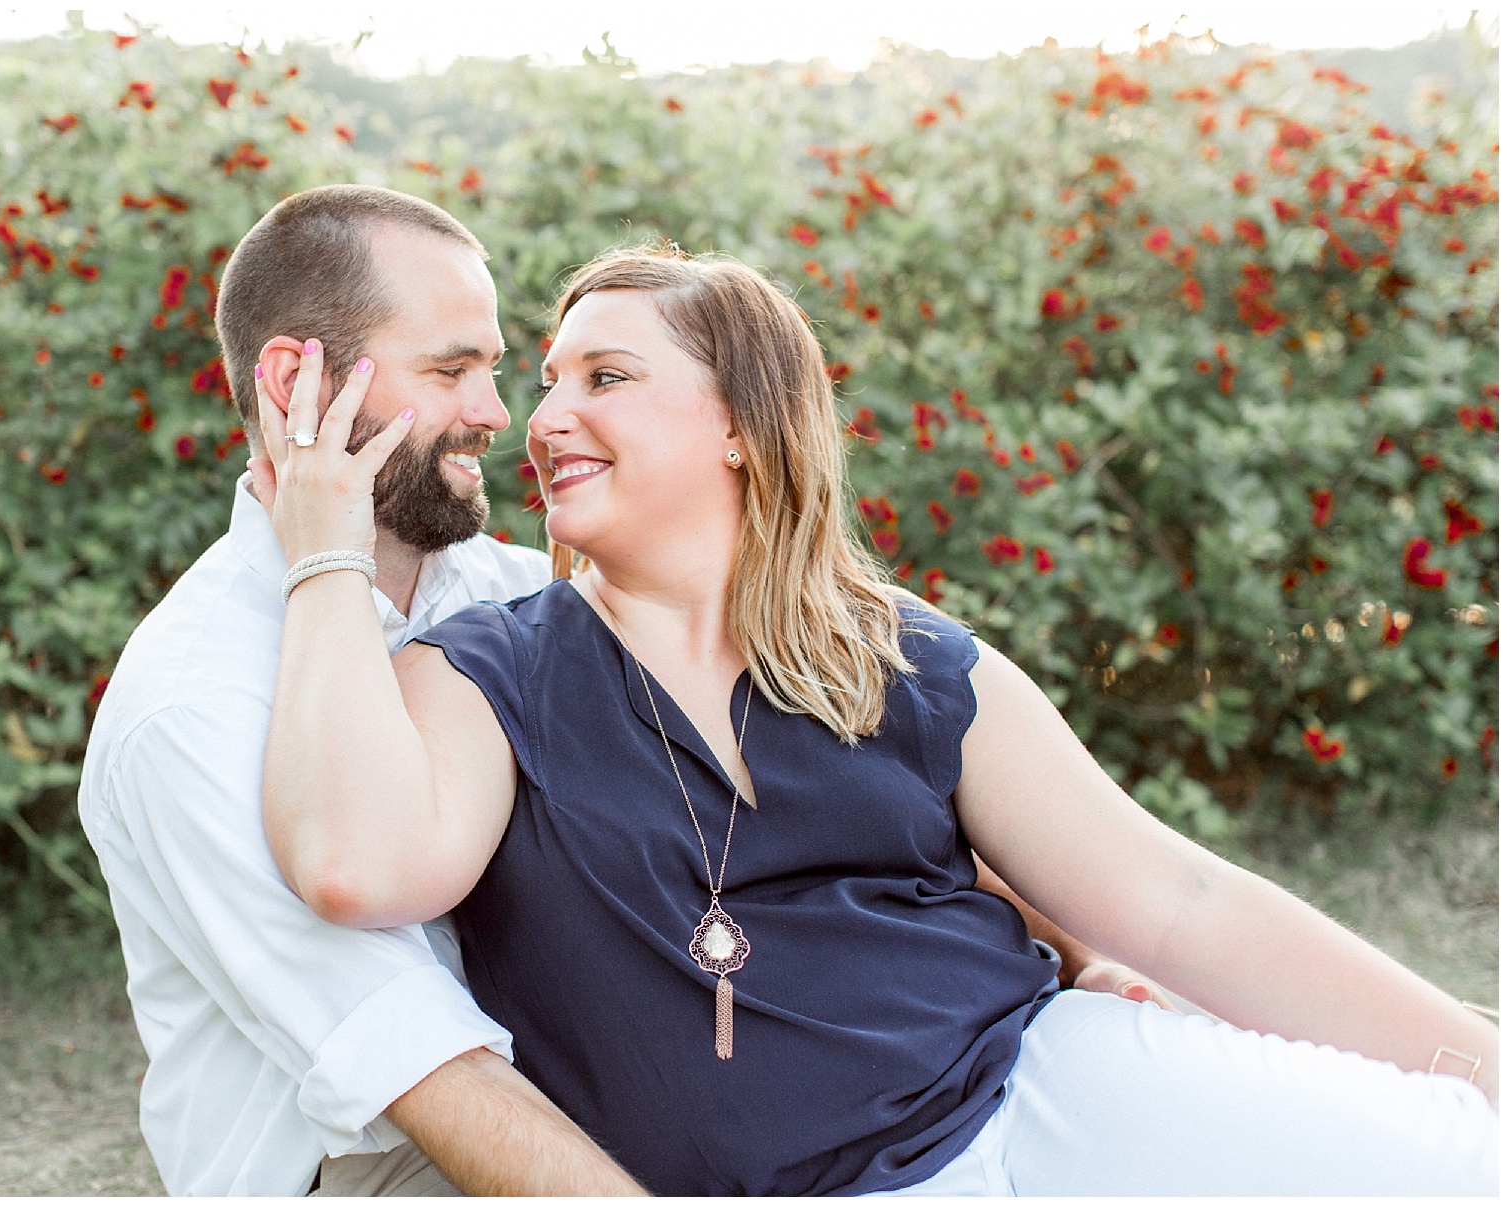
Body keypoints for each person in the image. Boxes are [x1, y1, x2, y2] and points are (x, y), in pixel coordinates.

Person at [253, 244, 1499, 1196]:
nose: (544, 414)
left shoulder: (894, 649)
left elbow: (1178, 902)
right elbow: (358, 868)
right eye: (548, 382)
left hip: (1052, 1092)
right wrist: (324, 560)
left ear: (740, 424)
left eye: (608, 377)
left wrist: (1478, 1057)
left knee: (1463, 1156)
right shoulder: (482, 672)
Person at [83, 186, 1164, 1195]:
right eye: (452, 370)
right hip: (385, 1169)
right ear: (295, 385)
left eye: (503, 369)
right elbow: (413, 1059)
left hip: (604, 1120)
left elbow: (835, 784)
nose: (501, 414)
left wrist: (1076, 945)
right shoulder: (197, 705)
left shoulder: (515, 597)